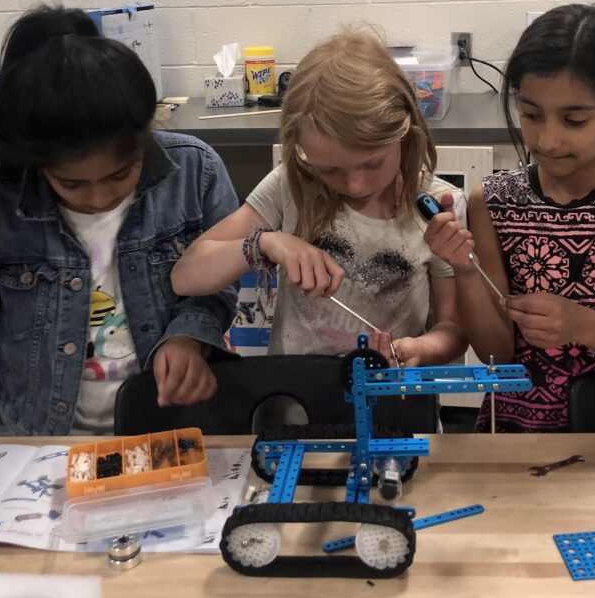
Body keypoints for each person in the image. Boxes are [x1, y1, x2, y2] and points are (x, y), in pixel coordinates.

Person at [0, 6, 239, 436]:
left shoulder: (194, 171)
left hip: (171, 426)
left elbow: (221, 284)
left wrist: (188, 336)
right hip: (49, 441)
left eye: (119, 175)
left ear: (145, 134)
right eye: (71, 184)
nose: (98, 198)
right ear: (38, 163)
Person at [423, 4, 595, 433]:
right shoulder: (494, 201)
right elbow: (498, 355)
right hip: (519, 433)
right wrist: (465, 270)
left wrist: (587, 326)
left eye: (574, 120)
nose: (546, 140)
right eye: (531, 115)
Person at [172, 29, 467, 367]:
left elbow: (453, 329)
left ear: (405, 133)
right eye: (330, 170)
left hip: (393, 398)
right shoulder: (292, 184)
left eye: (373, 163)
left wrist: (418, 349)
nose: (355, 186)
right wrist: (266, 242)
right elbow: (185, 275)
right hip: (297, 403)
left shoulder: (438, 207)